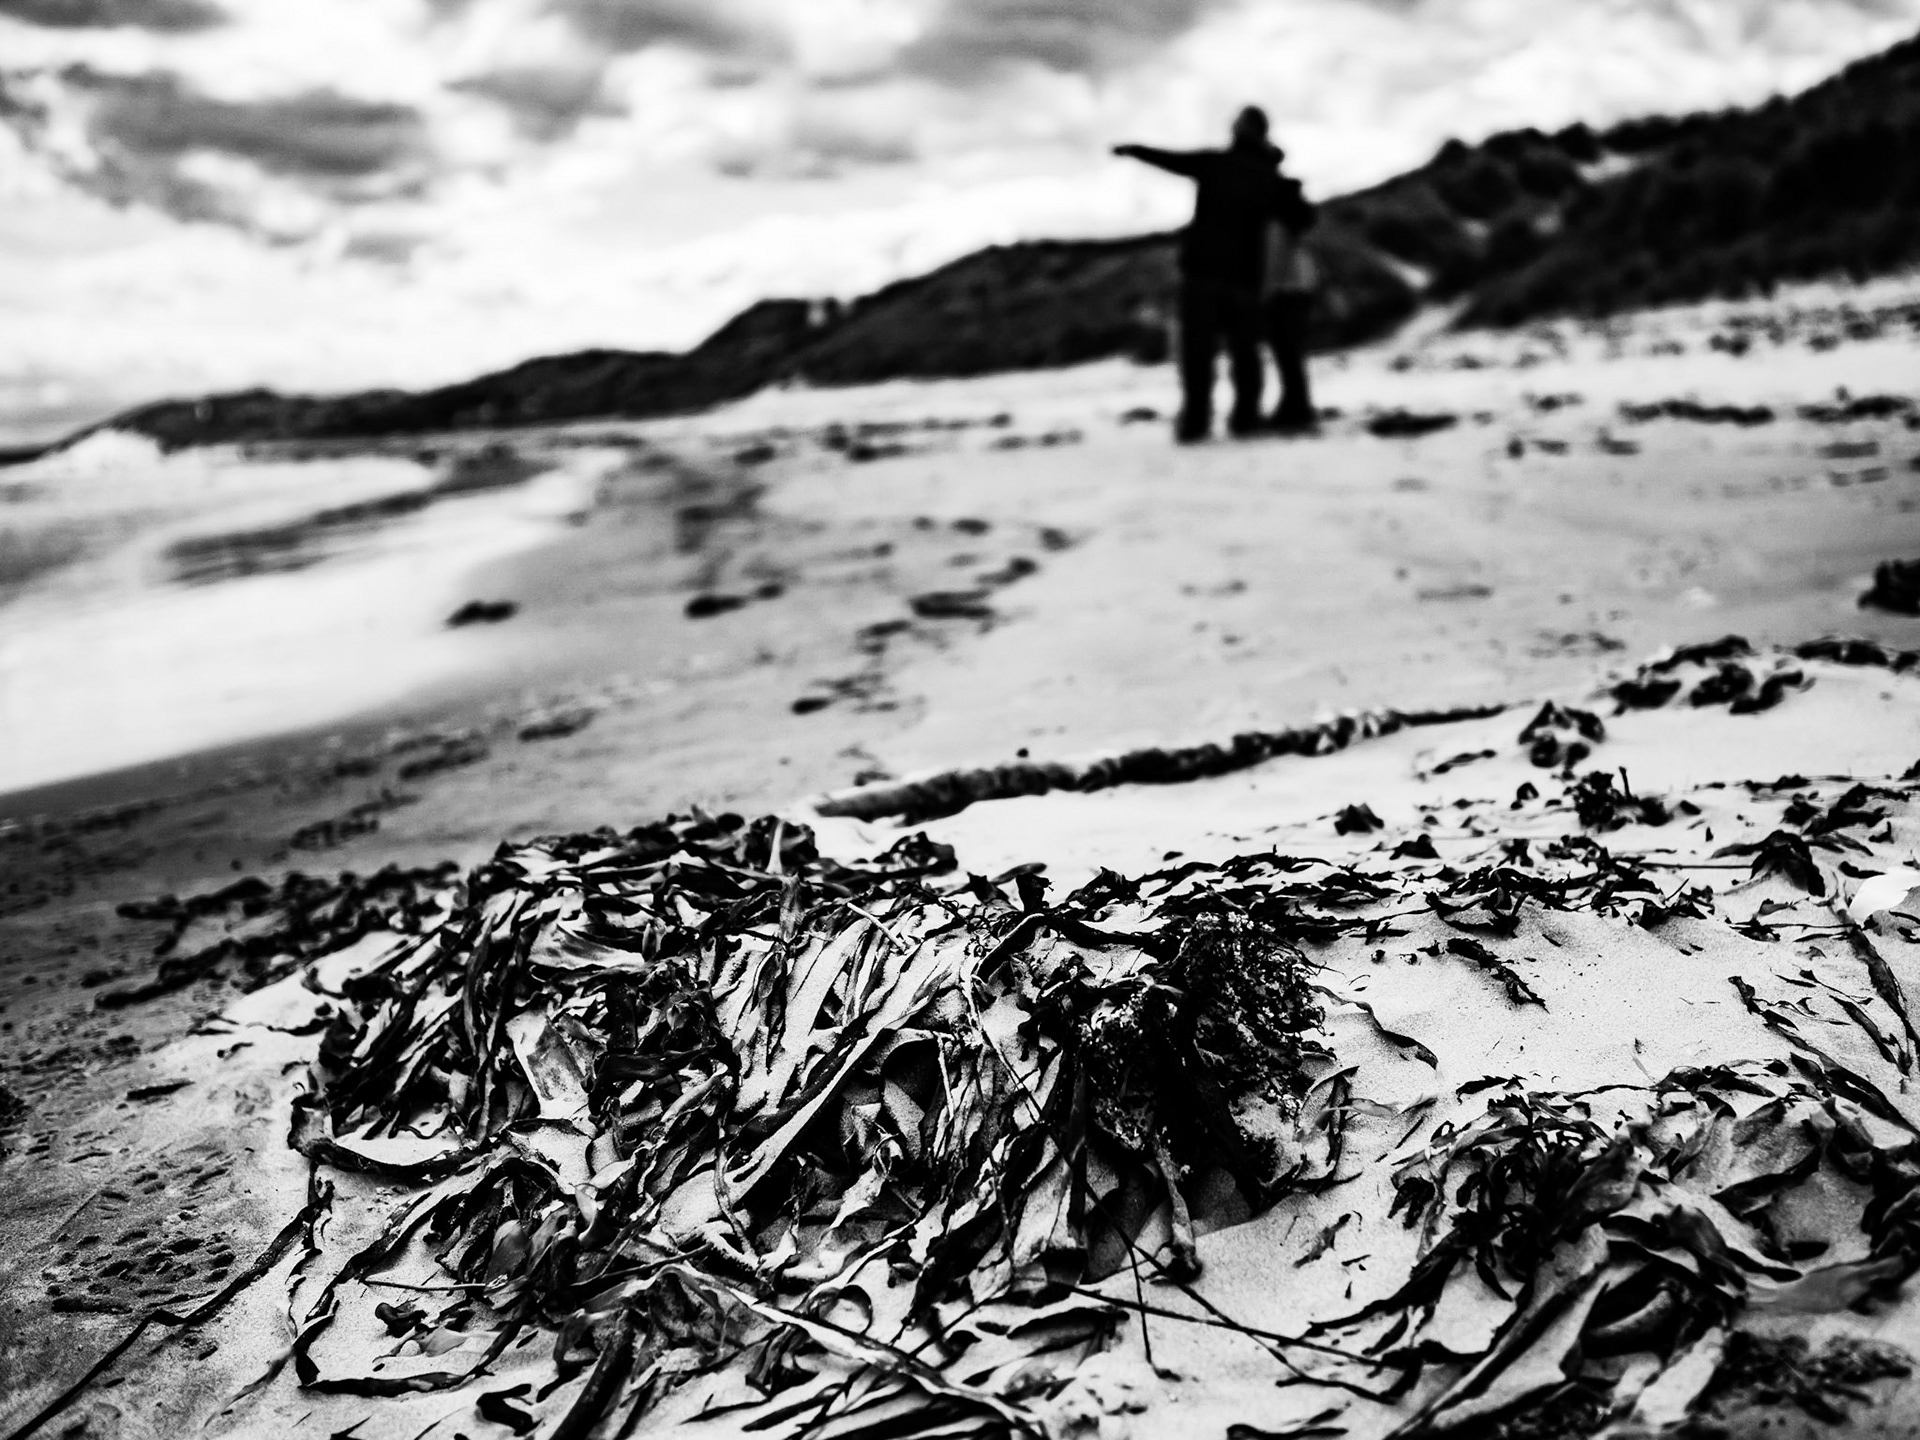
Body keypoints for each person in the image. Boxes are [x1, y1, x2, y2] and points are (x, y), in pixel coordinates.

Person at [1114, 106, 1303, 443]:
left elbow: (1171, 160)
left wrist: (1133, 150)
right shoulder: (1268, 178)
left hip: (1204, 273)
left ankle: (1197, 420)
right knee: (1244, 352)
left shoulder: (1217, 164)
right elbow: (1302, 216)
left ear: (1239, 130)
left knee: (1199, 353)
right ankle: (1245, 418)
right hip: (1244, 277)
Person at [1263, 159, 1319, 432]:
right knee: (1292, 352)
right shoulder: (1295, 217)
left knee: (1286, 352)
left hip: (1285, 289)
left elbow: (1275, 258)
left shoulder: (1275, 220)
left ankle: (1296, 407)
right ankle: (1297, 404)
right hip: (1303, 285)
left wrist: (1267, 289)